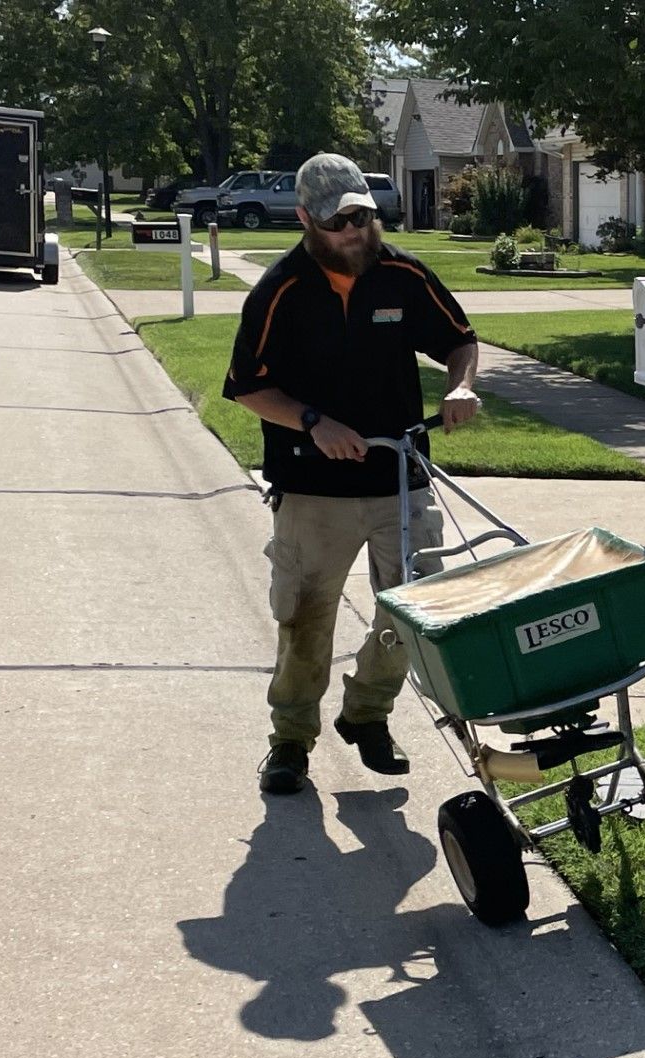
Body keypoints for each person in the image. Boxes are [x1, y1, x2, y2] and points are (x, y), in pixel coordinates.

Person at [223, 152, 481, 795]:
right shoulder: (280, 290)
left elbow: (459, 341)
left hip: (399, 477)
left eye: (364, 217)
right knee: (306, 618)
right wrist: (314, 421)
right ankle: (289, 740)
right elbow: (248, 387)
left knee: (414, 611)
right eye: (341, 222)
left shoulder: (401, 275)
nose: (357, 232)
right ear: (306, 219)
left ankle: (367, 714)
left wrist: (463, 386)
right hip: (314, 488)